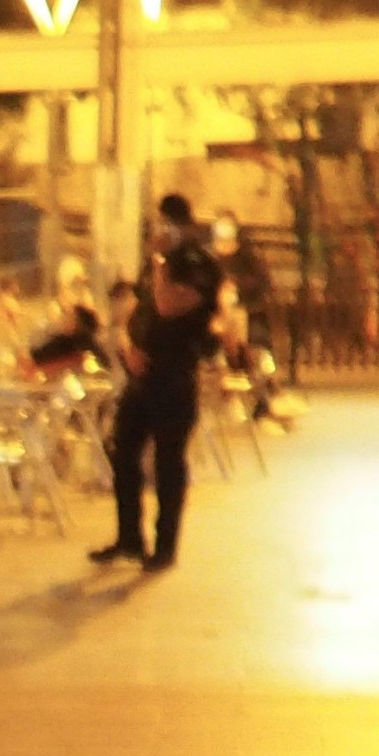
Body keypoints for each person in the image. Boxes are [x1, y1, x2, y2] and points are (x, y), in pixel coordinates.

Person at [94, 192, 219, 570]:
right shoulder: (156, 266)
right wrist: (129, 349)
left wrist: (162, 261)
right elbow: (139, 315)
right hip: (142, 377)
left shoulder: (198, 265)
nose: (159, 232)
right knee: (123, 451)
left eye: (165, 224)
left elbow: (168, 305)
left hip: (174, 378)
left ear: (182, 226)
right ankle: (129, 538)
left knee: (167, 464)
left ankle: (164, 548)